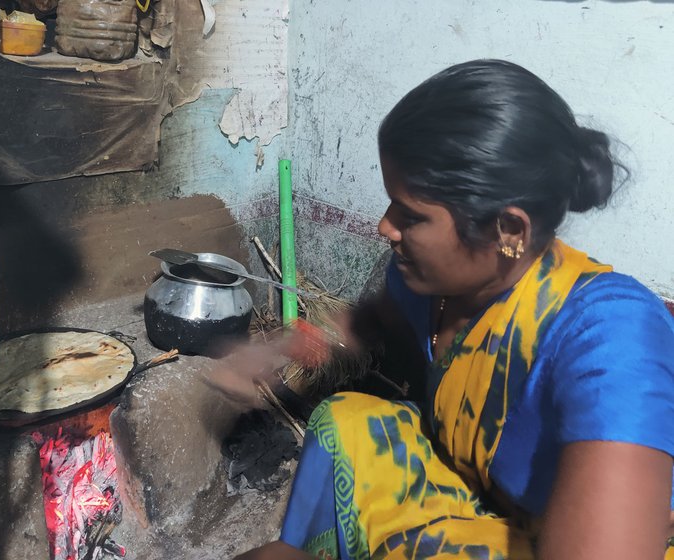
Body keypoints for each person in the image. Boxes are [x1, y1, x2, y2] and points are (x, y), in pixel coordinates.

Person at [216, 59, 674, 559]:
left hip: (558, 536)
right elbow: (370, 322)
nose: (384, 227)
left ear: (509, 232)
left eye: (410, 215)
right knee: (346, 420)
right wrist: (282, 348)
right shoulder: (429, 281)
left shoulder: (611, 334)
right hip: (479, 494)